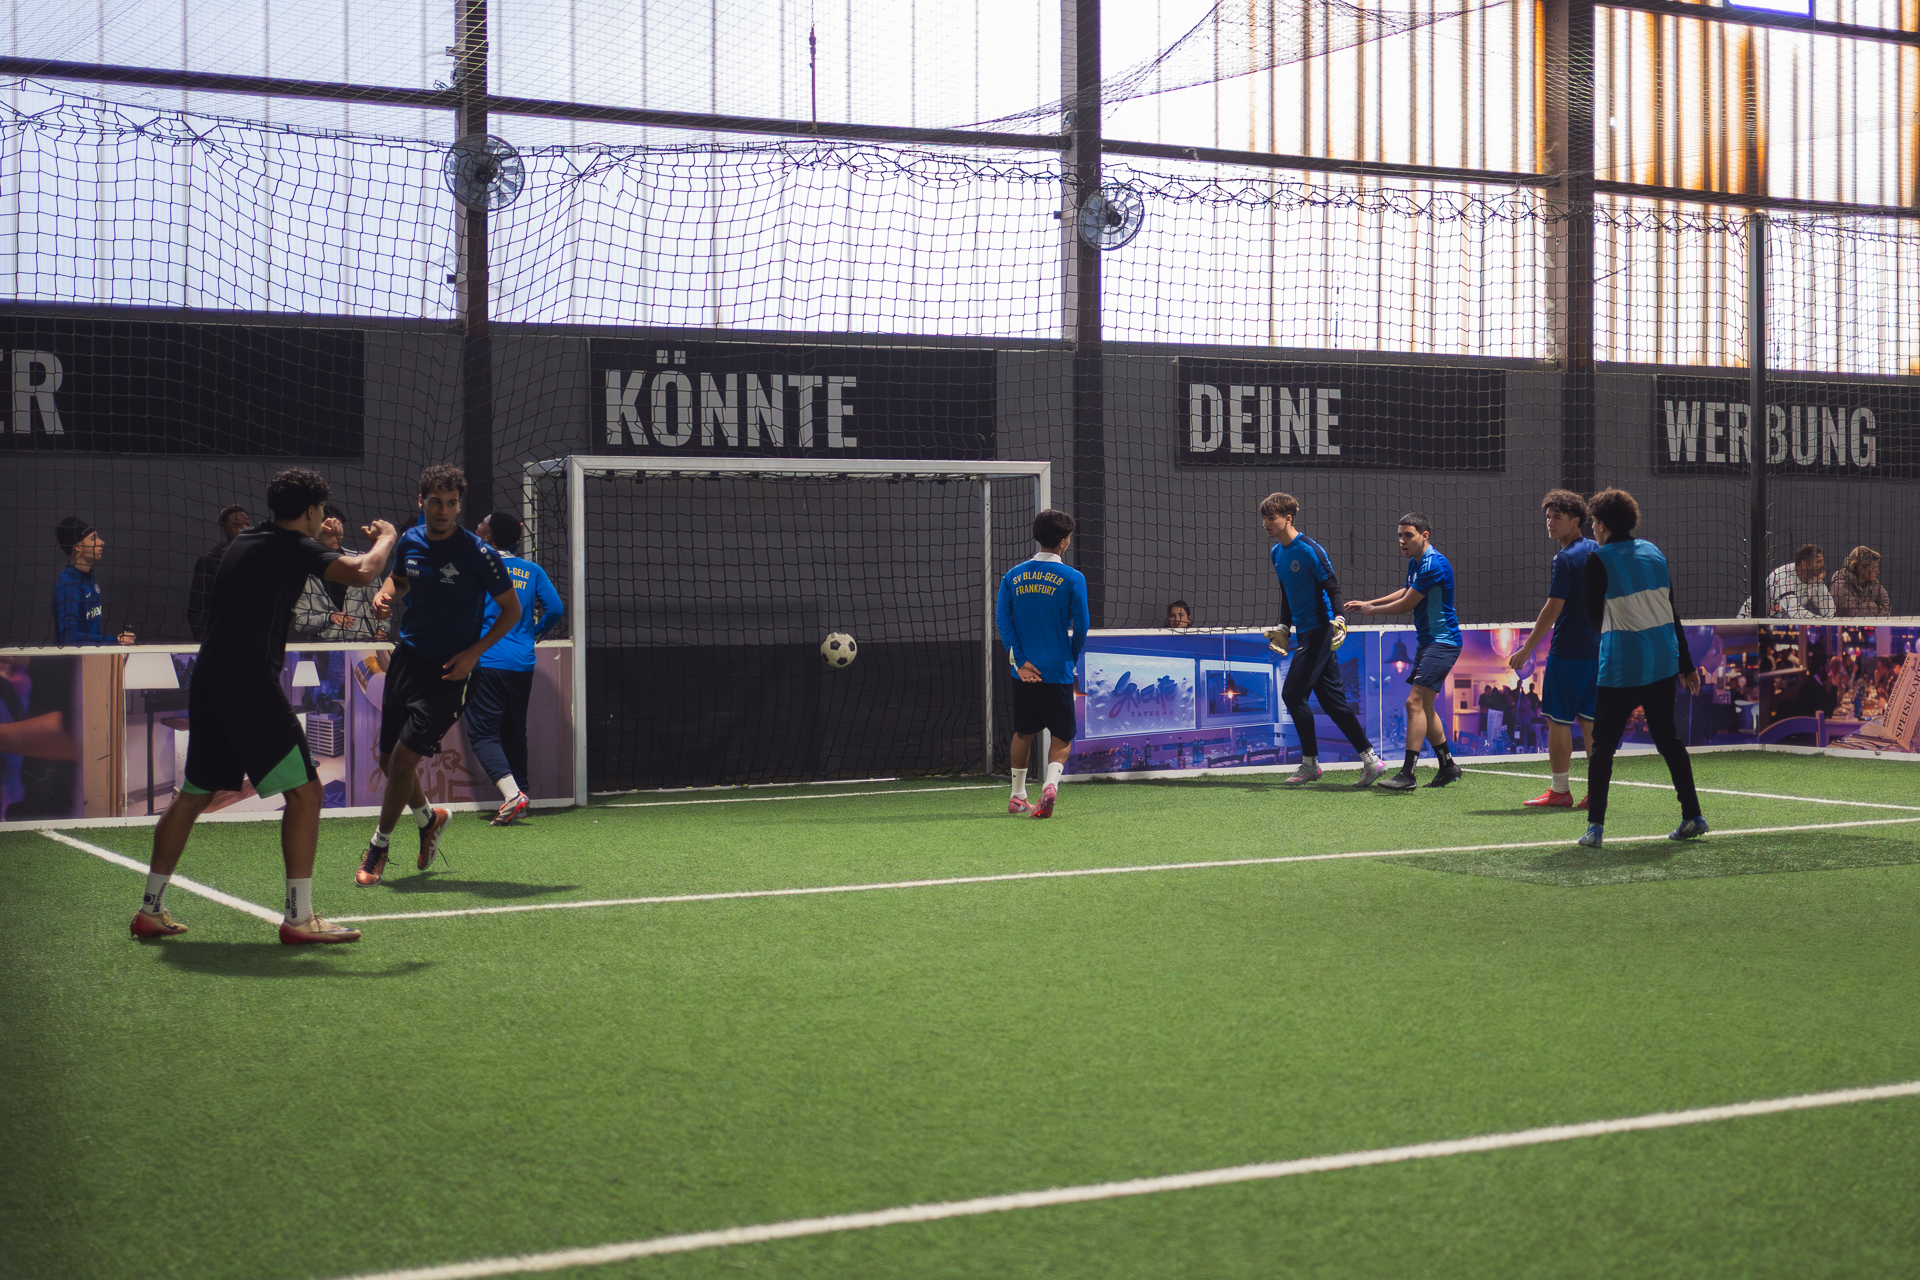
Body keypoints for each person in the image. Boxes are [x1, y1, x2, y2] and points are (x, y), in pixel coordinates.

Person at [129, 469, 397, 944]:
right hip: (247, 684)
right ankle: (299, 918)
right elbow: (363, 572)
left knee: (193, 796)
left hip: (211, 681)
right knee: (306, 793)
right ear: (311, 510)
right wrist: (389, 536)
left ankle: (150, 909)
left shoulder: (249, 540)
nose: (323, 517)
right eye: (321, 510)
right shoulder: (290, 546)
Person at [357, 465, 520, 886]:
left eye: (451, 503)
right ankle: (429, 820)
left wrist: (473, 654)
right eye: (435, 502)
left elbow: (512, 611)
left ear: (459, 506)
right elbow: (399, 583)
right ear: (422, 502)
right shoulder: (410, 540)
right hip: (407, 660)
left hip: (450, 672)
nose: (443, 510)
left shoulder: (478, 553)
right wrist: (383, 596)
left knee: (402, 761)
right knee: (387, 760)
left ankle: (378, 846)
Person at [1575, 487, 1707, 849]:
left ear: (1602, 524)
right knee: (1668, 739)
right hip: (1663, 660)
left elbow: (1594, 617)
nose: (1592, 528)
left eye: (1593, 522)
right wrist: (1686, 665)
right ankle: (1693, 815)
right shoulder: (1653, 552)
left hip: (1622, 664)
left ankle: (1595, 828)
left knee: (1603, 746)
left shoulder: (1598, 559)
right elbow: (1671, 611)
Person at [1257, 493, 1386, 787]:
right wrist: (1283, 627)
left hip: (1320, 630)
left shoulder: (1310, 550)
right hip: (1304, 631)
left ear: (1288, 518)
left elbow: (1332, 588)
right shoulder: (1276, 553)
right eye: (1263, 518)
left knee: (1292, 694)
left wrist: (1340, 619)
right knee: (1332, 702)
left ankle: (1310, 764)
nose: (1265, 523)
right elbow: (1287, 595)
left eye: (1271, 518)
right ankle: (1372, 761)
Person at [1344, 512, 1463, 790]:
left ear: (1425, 535)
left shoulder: (1434, 564)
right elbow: (1406, 591)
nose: (1402, 540)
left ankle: (1408, 774)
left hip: (1443, 642)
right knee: (1425, 706)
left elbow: (1407, 604)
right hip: (1429, 642)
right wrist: (1369, 602)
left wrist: (1372, 611)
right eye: (1399, 535)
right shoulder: (1416, 562)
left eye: (1408, 535)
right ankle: (1448, 766)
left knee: (1414, 703)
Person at [468, 511, 565, 826]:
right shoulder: (532, 570)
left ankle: (512, 796)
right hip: (521, 663)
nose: (477, 526)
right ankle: (521, 795)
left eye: (482, 523)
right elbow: (555, 608)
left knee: (482, 733)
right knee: (514, 731)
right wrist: (533, 633)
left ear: (488, 536)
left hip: (487, 660)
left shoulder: (477, 563)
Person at [1508, 489, 1600, 808]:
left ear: (1576, 520)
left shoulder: (1564, 558)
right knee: (1590, 723)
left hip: (1568, 652)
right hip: (1598, 651)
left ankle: (1560, 791)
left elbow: (1553, 608)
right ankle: (1597, 793)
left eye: (1557, 517)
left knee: (1558, 720)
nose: (1550, 522)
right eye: (1548, 517)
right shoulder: (1599, 550)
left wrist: (1526, 649)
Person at [995, 509, 1089, 820]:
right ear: (1063, 542)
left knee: (1024, 732)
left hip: (1023, 671)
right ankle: (1050, 785)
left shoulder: (1012, 576)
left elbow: (1003, 622)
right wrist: (1070, 656)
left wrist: (1020, 662)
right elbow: (1082, 626)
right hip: (1056, 668)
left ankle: (1017, 796)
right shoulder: (1073, 578)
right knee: (1062, 736)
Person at [292, 505, 387, 642]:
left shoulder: (362, 562)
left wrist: (382, 631)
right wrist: (329, 618)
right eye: (331, 527)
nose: (337, 533)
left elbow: (381, 603)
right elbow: (301, 623)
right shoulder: (304, 570)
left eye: (340, 526)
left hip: (365, 644)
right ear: (317, 528)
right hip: (325, 648)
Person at [52, 517, 135, 646]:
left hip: (91, 655)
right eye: (93, 538)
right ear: (78, 547)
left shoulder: (88, 578)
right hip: (76, 658)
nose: (102, 543)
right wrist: (115, 640)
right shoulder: (68, 586)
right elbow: (68, 638)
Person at [187, 504, 252, 640]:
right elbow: (198, 607)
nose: (245, 528)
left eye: (247, 524)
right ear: (224, 529)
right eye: (237, 525)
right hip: (221, 640)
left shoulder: (259, 560)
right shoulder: (210, 562)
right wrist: (204, 641)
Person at [1738, 544, 1834, 618]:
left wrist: (1819, 583)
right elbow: (1793, 611)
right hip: (1749, 621)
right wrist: (1818, 620)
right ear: (1804, 564)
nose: (1822, 565)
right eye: (1818, 562)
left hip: (1775, 623)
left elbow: (1829, 612)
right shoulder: (1782, 576)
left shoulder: (1812, 579)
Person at [1830, 546, 1891, 617]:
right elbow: (1851, 613)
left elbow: (1886, 609)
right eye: (1874, 568)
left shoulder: (1875, 585)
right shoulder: (1840, 585)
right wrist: (1874, 607)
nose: (1878, 572)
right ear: (1861, 568)